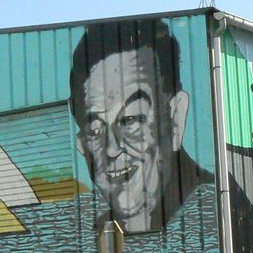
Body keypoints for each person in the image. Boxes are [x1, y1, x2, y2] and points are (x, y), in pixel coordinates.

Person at [69, 20, 210, 233]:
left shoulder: (213, 220)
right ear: (82, 145)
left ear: (175, 119)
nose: (111, 148)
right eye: (95, 130)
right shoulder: (92, 236)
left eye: (130, 120)